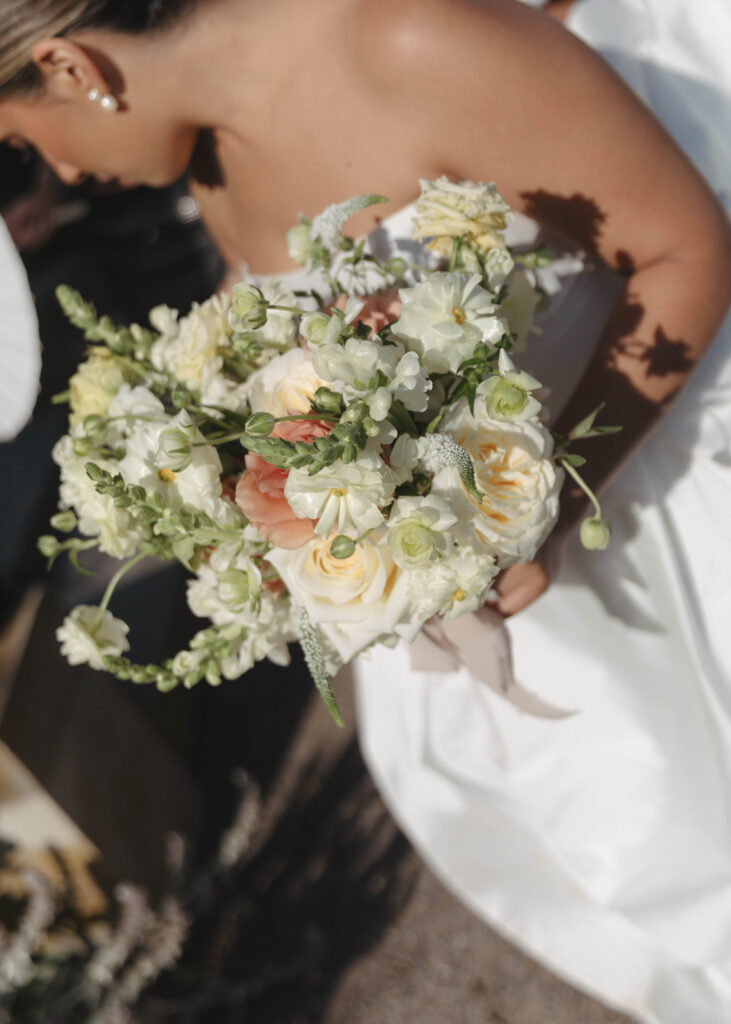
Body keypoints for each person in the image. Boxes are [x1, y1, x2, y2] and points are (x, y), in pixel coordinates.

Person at [0, 0, 729, 1019]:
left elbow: (680, 248)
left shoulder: (406, 39)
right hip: (475, 593)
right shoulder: (205, 161)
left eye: (23, 142)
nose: (63, 177)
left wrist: (547, 505)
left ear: (69, 65)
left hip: (634, 490)